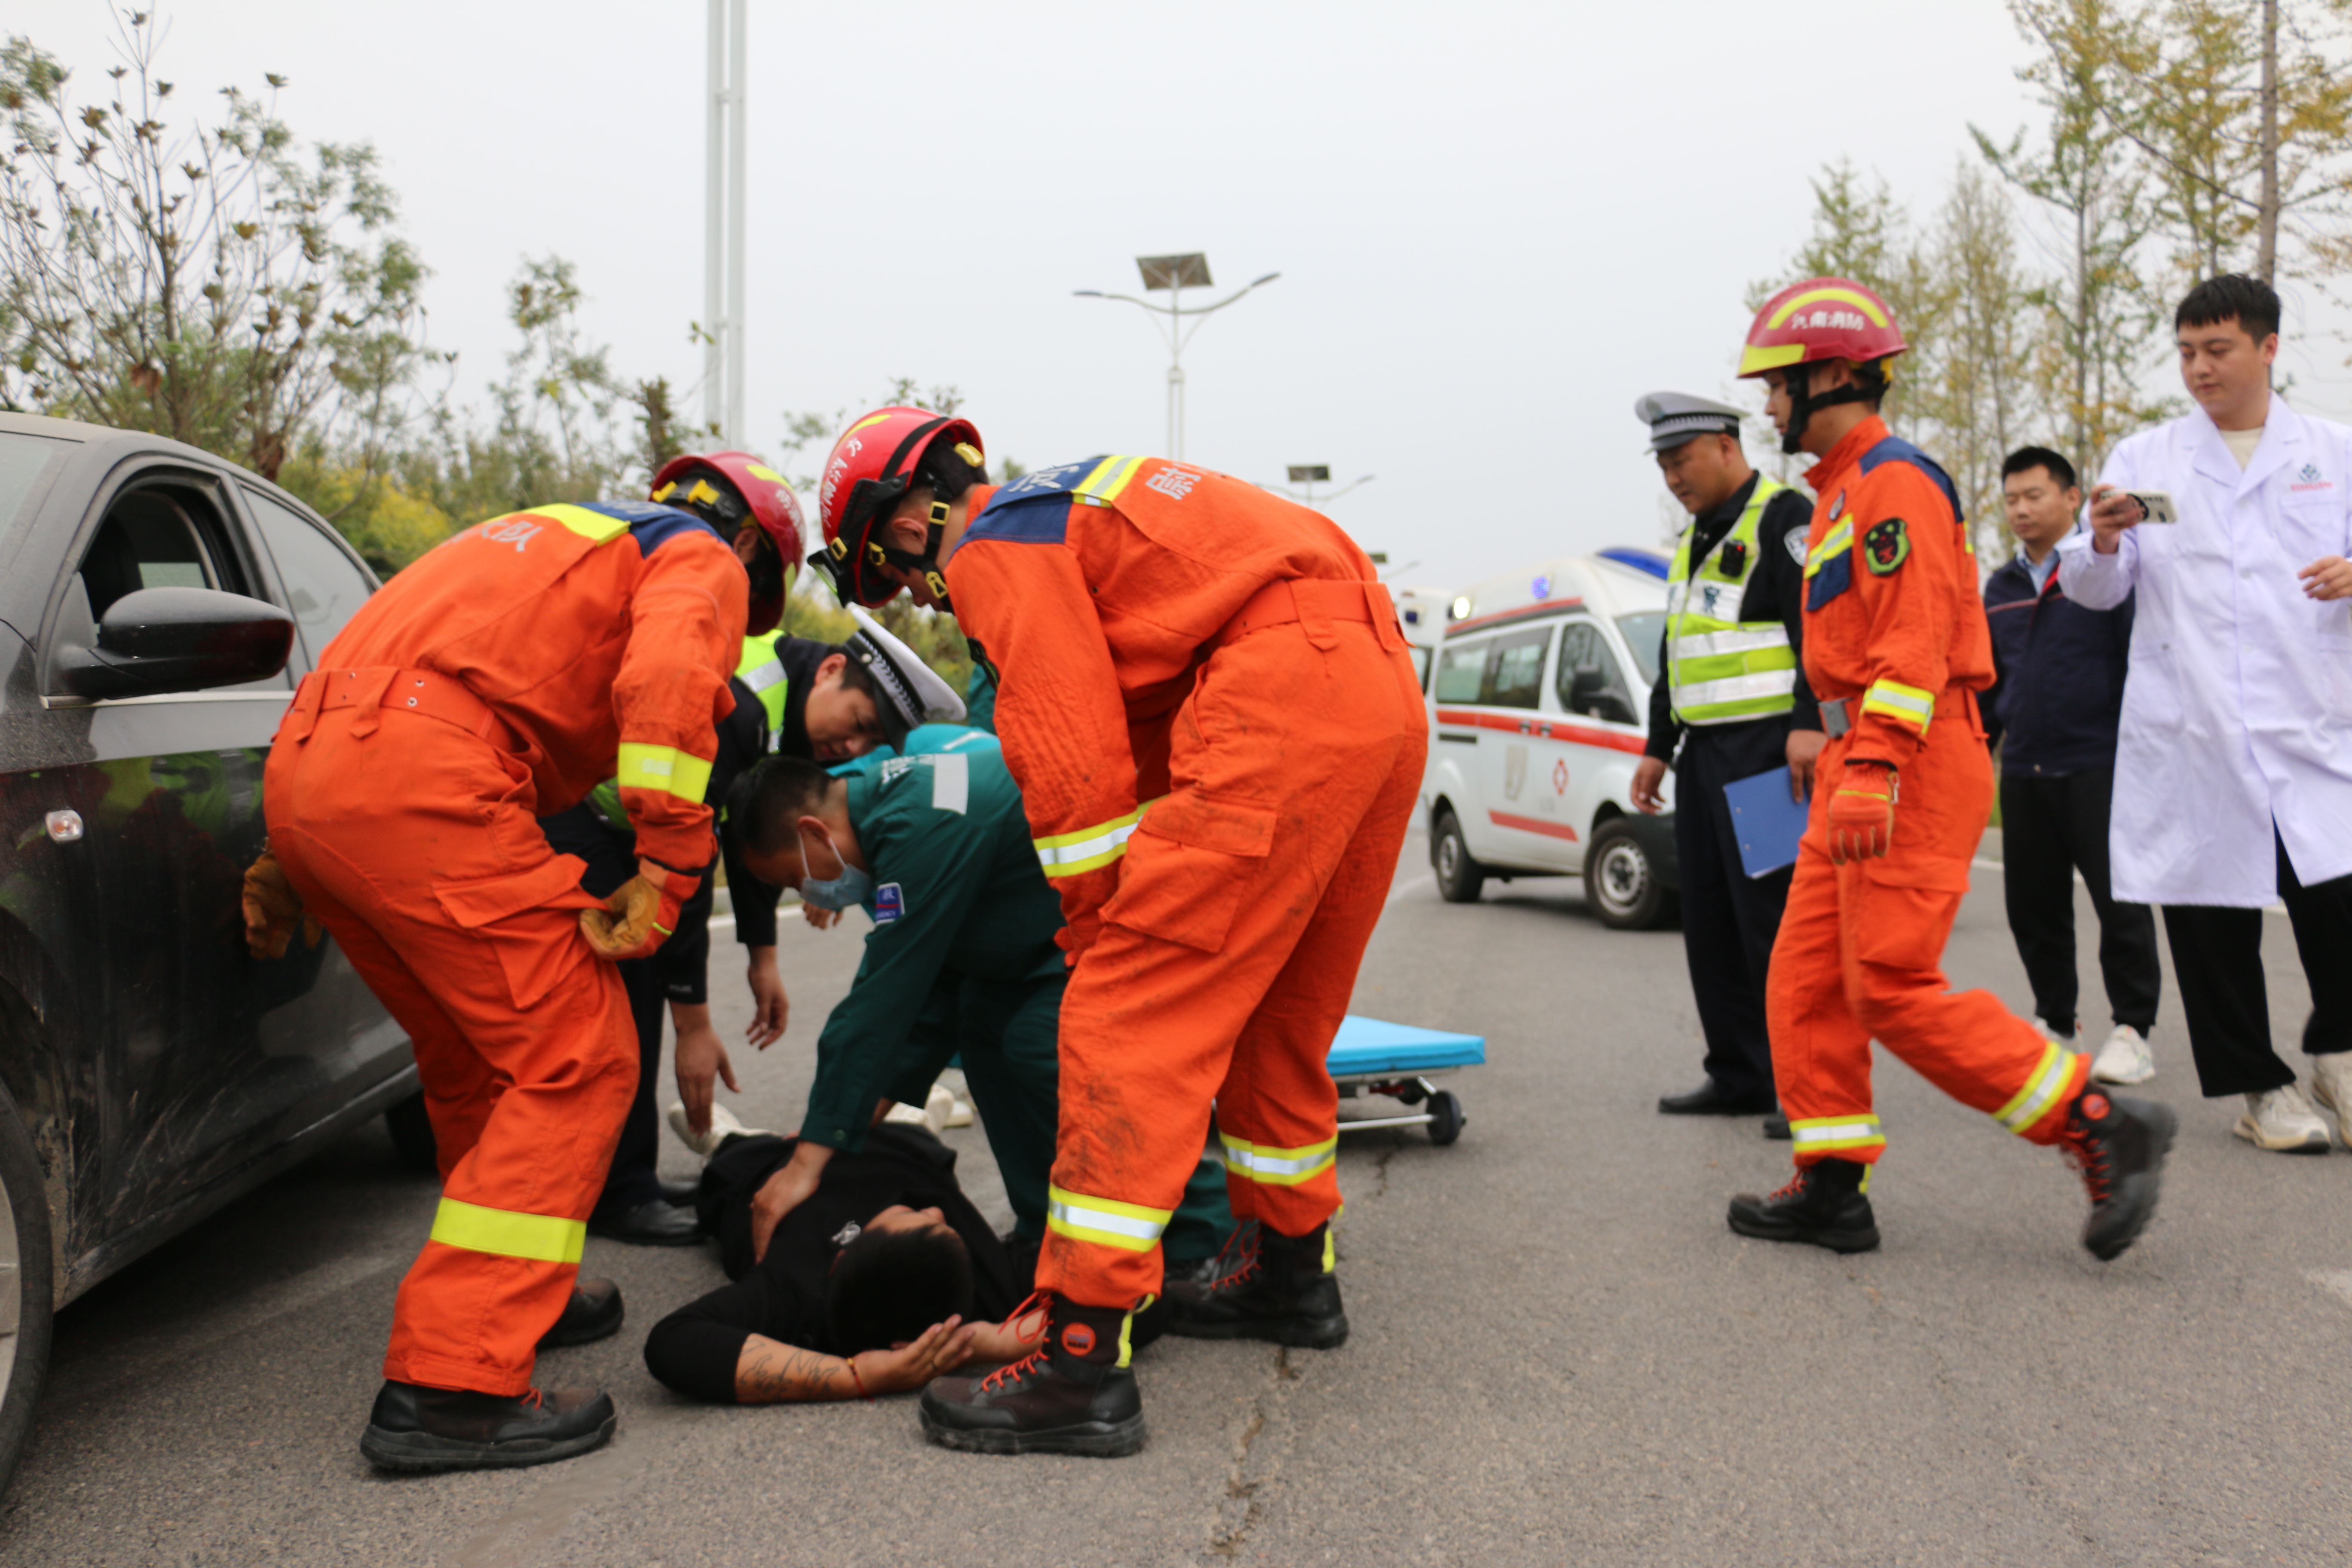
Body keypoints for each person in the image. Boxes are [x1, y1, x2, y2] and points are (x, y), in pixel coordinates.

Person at [811, 411, 1426, 1458]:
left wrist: (1103, 929)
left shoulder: (999, 540)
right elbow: (1141, 737)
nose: (924, 599)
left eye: (900, 579)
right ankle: (1289, 1275)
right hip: (1371, 686)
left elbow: (1069, 751)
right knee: (1276, 1017)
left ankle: (1079, 1361)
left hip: (1278, 687)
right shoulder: (1076, 514)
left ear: (912, 522)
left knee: (1118, 1017)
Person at [242, 481, 797, 1472]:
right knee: (577, 1058)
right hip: (428, 775)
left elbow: (379, 674)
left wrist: (301, 844)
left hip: (314, 772)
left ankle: (515, 1289)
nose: (735, 636)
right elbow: (670, 684)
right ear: (751, 541)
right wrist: (671, 868)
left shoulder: (530, 538)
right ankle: (454, 1386)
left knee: (474, 1060)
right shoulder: (699, 554)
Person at [1721, 277, 2175, 1263]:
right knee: (1804, 980)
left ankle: (2094, 1117)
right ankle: (1831, 1186)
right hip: (1857, 753)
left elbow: (1915, 637)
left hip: (1909, 756)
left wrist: (1875, 765)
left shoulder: (1893, 484)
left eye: (1776, 386)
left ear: (1834, 374)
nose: (1767, 407)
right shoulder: (1838, 492)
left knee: (1885, 982)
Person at [540, 455, 959, 1246]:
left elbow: (747, 837)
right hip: (578, 818)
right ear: (833, 667)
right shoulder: (746, 691)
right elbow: (691, 858)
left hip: (602, 818)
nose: (853, 745)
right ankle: (616, 1190)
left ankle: (616, 1178)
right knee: (616, 1007)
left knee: (620, 1000)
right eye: (861, 720)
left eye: (871, 741)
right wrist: (695, 1022)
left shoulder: (785, 703)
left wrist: (763, 955)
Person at [2061, 273, 2352, 1154]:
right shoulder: (2148, 460)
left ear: (2267, 348)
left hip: (2311, 720)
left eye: (2217, 350)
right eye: (2186, 352)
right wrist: (2106, 537)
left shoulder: (2333, 452)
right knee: (2209, 915)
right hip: (2194, 726)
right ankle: (2260, 1090)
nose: (2198, 369)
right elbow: (2095, 586)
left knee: (2337, 897)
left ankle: (2337, 1052)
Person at [1628, 392, 1822, 1134]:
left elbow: (1817, 633)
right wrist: (1657, 744)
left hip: (1771, 754)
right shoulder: (1693, 538)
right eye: (1664, 465)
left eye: (1680, 460)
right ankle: (1738, 1073)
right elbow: (1676, 654)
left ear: (1724, 446)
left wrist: (1811, 724)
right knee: (1709, 921)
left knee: (1773, 925)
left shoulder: (1783, 518)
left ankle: (1799, 1084)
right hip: (1704, 755)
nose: (1673, 476)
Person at [1981, 446, 2162, 1085]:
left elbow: (2137, 665)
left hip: (2100, 762)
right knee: (2034, 906)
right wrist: (1980, 751)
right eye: (2011, 499)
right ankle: (2055, 1022)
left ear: (2070, 496)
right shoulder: (1999, 587)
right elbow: (1989, 682)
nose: (2022, 509)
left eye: (2034, 495)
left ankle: (2134, 1029)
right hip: (2024, 767)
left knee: (2121, 904)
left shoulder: (2104, 574)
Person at [642, 1117, 1030, 1406]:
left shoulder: (796, 1287)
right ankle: (913, 1115)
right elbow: (1079, 1313)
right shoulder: (989, 1292)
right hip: (903, 1145)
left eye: (911, 1217)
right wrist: (987, 1341)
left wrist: (857, 1377)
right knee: (912, 1129)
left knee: (734, 1153)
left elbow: (674, 1343)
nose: (933, 1210)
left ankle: (721, 1132)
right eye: (931, 1221)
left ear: (843, 1257)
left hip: (764, 1165)